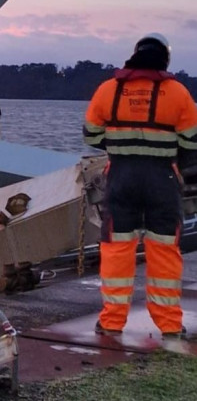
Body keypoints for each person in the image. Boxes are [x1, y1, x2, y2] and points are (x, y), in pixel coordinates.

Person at [83, 33, 197, 339]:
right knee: (164, 251)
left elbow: (91, 136)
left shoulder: (109, 90)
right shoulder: (178, 93)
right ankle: (170, 325)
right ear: (165, 58)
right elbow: (192, 141)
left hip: (121, 179)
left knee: (117, 251)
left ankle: (111, 322)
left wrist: (122, 143)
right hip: (162, 181)